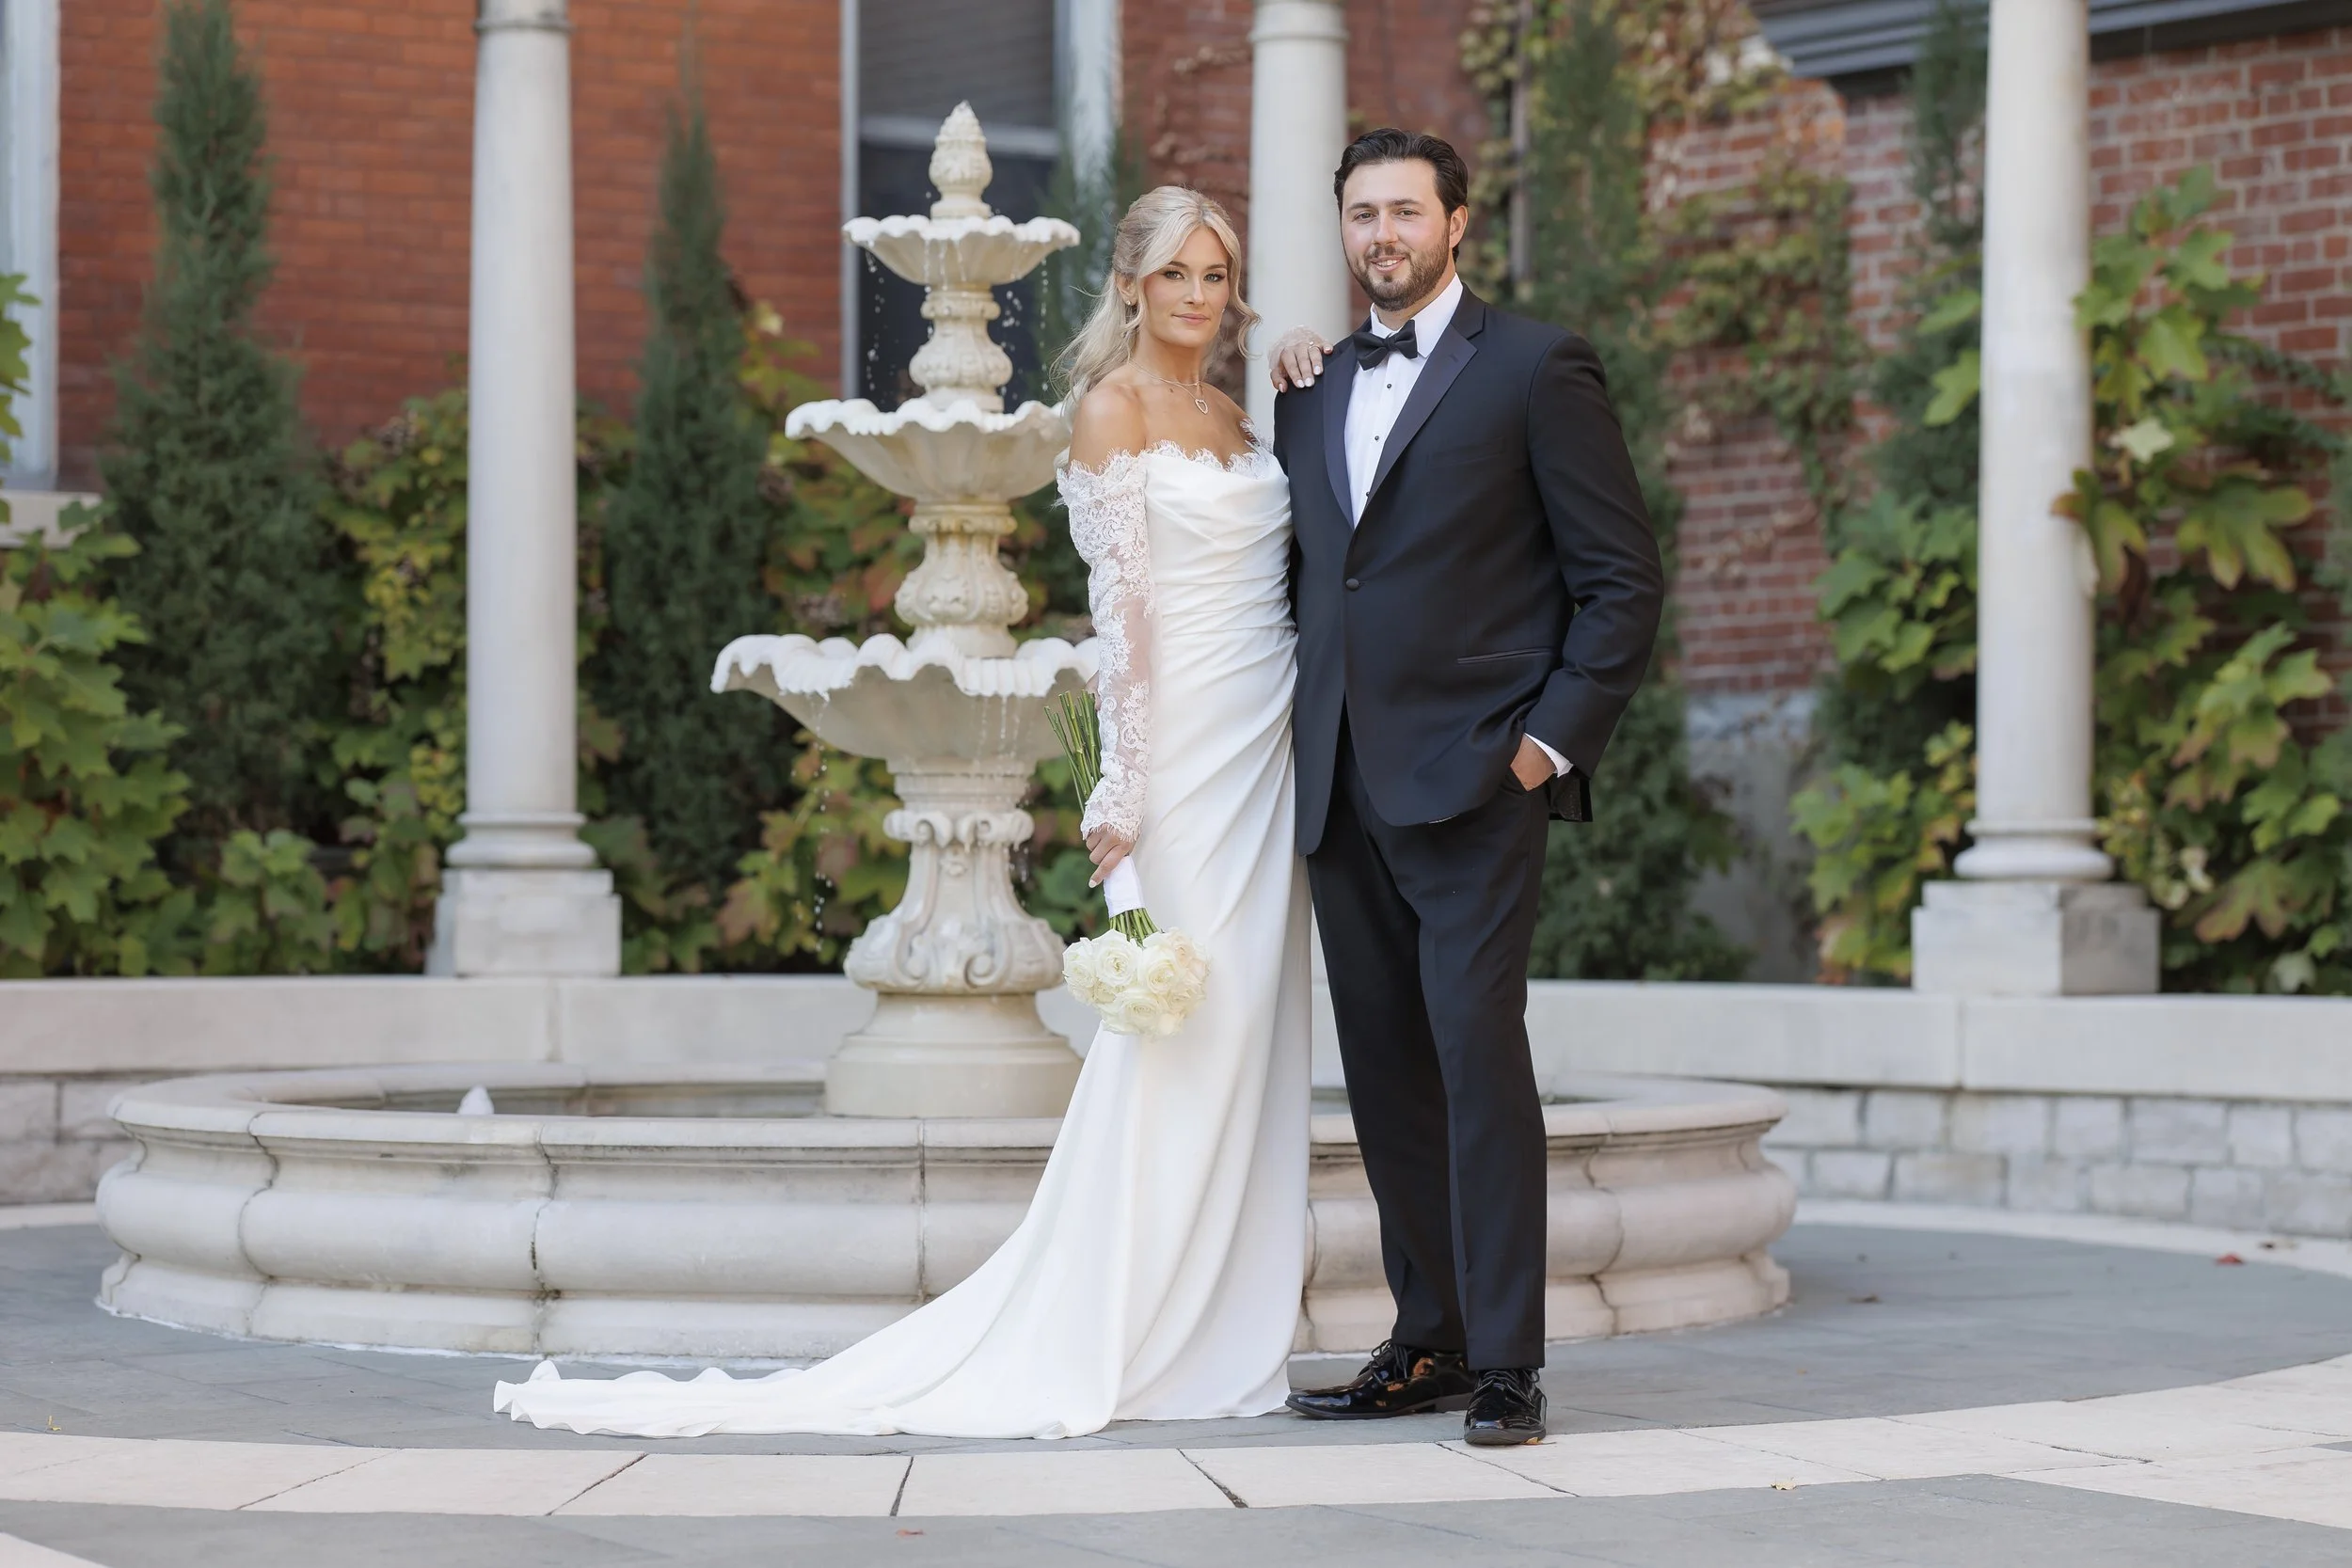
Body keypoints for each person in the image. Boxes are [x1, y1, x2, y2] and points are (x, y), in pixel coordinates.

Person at [492, 185, 1313, 1440]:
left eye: (1220, 275)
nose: (1202, 297)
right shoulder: (1109, 412)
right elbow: (1126, 623)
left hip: (1273, 740)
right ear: (1132, 285)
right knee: (1176, 1040)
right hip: (1191, 754)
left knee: (1253, 1033)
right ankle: (1121, 1322)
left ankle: (1216, 1323)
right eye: (1180, 274)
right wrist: (1120, 789)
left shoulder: (1239, 413)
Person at [1264, 129, 1663, 1446]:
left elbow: (1620, 579)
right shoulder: (1307, 394)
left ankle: (1507, 1360)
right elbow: (1321, 583)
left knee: (1479, 1062)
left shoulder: (1538, 367)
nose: (1382, 233)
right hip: (1340, 784)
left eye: (1404, 211)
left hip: (1479, 776)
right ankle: (1425, 1336)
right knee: (1384, 1076)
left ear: (1459, 224)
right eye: (1361, 214)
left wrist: (1548, 742)